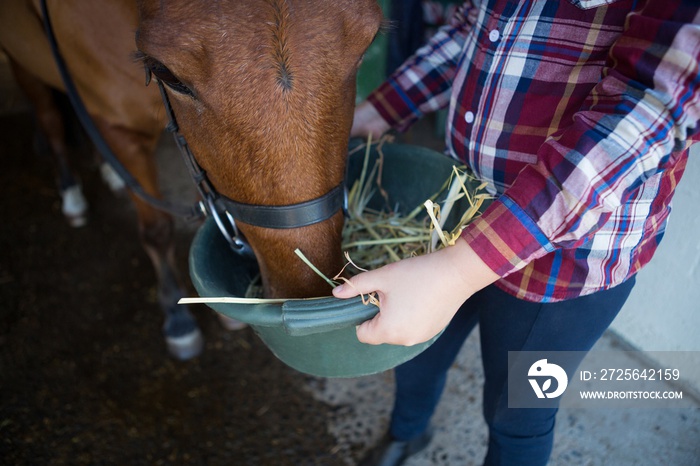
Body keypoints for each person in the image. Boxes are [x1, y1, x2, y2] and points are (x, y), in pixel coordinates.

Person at [332, 0, 699, 465]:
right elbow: (471, 31)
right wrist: (379, 112)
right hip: (456, 209)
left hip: (573, 258)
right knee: (416, 355)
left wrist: (453, 274)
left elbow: (648, 111)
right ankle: (407, 433)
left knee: (519, 409)